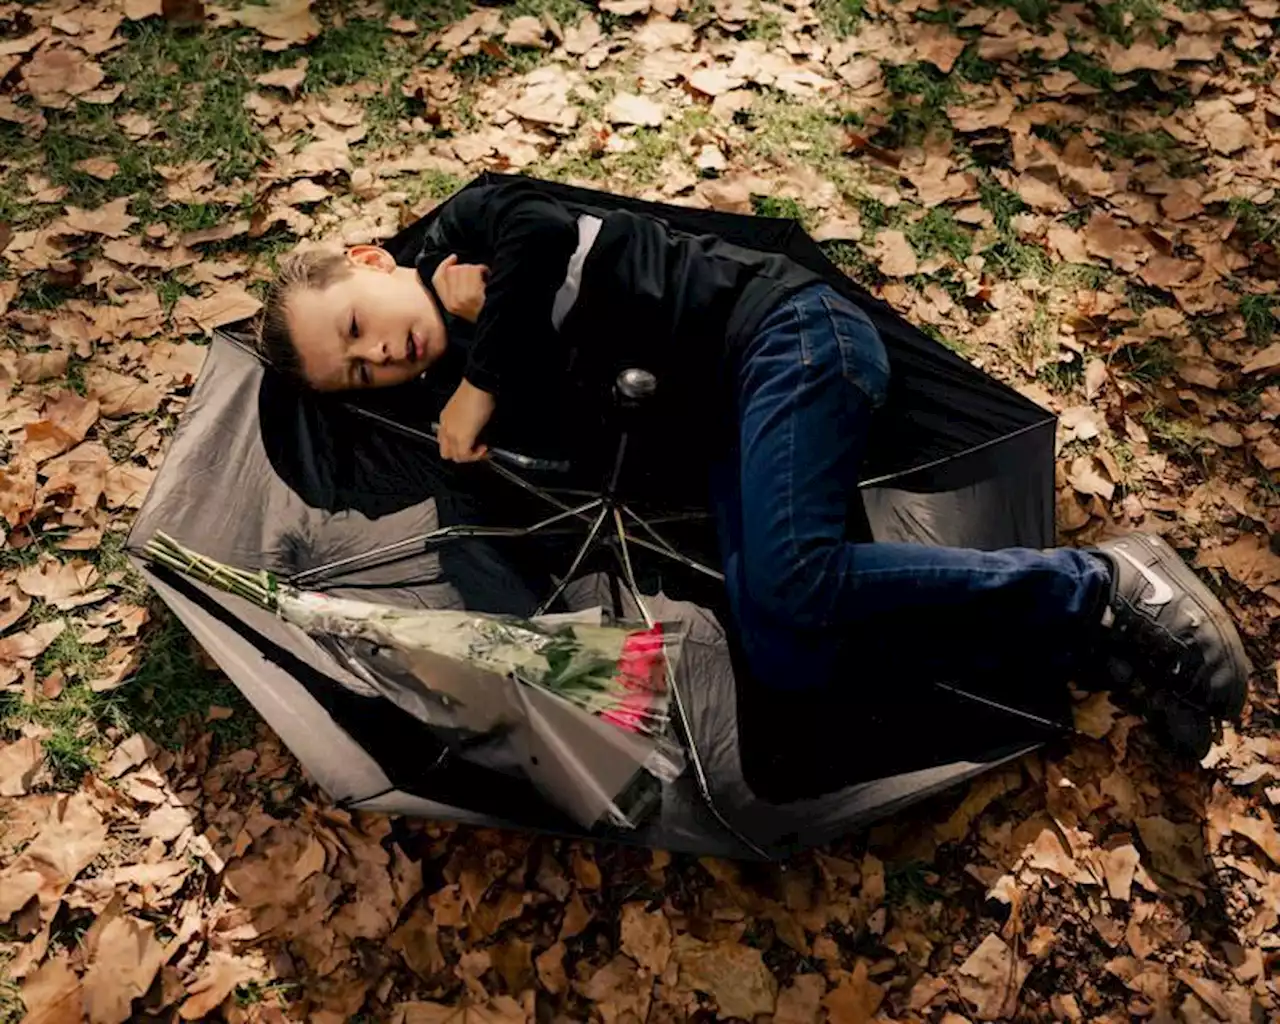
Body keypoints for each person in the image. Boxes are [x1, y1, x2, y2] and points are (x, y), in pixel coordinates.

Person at [255, 178, 1250, 759]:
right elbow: (615, 446)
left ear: (369, 261)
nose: (377, 356)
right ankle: (1069, 641)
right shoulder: (467, 403)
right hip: (736, 429)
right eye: (355, 372)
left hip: (786, 339)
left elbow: (547, 229)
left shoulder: (472, 225)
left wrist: (490, 360)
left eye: (355, 326)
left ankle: (1099, 585)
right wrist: (494, 413)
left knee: (792, 578)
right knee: (784, 655)